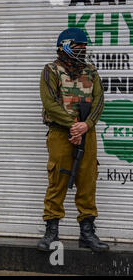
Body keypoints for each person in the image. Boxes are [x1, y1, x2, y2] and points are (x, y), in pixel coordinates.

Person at [37, 27, 109, 252]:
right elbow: (50, 103)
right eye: (79, 47)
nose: (83, 51)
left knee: (87, 181)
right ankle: (51, 232)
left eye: (84, 48)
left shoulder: (92, 72)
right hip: (60, 134)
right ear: (65, 47)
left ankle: (87, 233)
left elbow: (99, 101)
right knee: (58, 179)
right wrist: (73, 125)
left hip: (87, 133)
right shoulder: (51, 71)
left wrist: (85, 125)